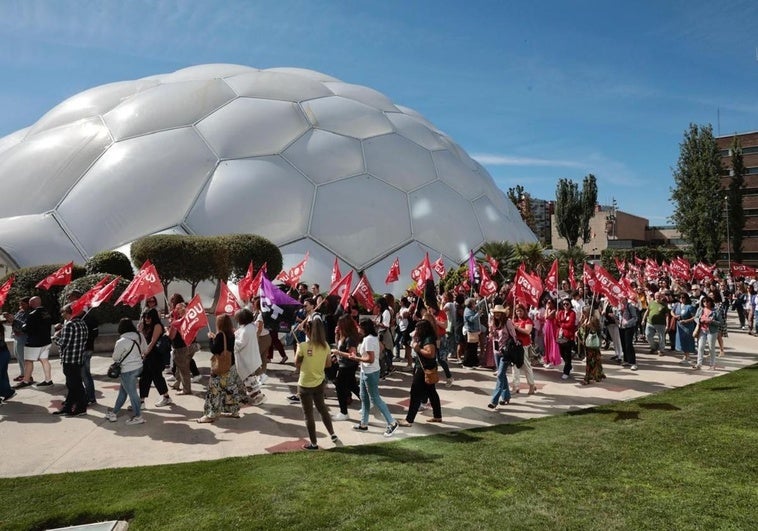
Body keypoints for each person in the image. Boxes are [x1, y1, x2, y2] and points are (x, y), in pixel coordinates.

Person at [336, 318, 398, 436]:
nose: (358, 328)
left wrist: (357, 358)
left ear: (364, 328)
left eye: (359, 326)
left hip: (370, 372)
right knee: (364, 397)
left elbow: (370, 359)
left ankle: (392, 422)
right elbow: (381, 348)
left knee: (375, 398)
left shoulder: (369, 339)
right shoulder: (372, 338)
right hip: (367, 371)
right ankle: (363, 424)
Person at [295, 316, 338, 450]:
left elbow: (297, 364)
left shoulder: (302, 346)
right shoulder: (325, 345)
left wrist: (300, 352)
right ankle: (333, 434)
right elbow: (328, 364)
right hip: (319, 382)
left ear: (308, 331)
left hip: (304, 384)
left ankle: (313, 443)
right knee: (323, 409)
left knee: (308, 414)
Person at [398, 318, 442, 426]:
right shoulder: (424, 337)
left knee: (415, 393)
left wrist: (417, 348)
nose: (416, 330)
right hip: (425, 368)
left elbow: (430, 354)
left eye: (417, 328)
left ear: (423, 329)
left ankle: (409, 419)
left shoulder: (428, 339)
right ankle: (437, 416)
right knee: (432, 393)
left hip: (424, 370)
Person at [198, 314, 242, 423]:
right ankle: (234, 411)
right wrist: (214, 338)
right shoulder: (231, 334)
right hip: (230, 366)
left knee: (214, 392)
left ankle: (211, 414)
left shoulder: (220, 335)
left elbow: (214, 350)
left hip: (220, 369)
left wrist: (210, 339)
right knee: (230, 389)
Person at [106, 318, 148, 424]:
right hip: (139, 367)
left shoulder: (121, 341)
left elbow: (115, 358)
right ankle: (114, 412)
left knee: (132, 393)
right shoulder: (140, 336)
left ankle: (138, 416)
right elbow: (145, 350)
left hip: (127, 370)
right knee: (123, 391)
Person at [51, 304, 89, 416]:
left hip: (69, 359)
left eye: (63, 312)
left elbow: (63, 344)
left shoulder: (69, 325)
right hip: (78, 358)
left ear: (68, 312)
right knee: (73, 385)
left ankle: (81, 408)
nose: (62, 314)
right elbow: (85, 340)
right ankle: (68, 407)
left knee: (75, 386)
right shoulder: (83, 324)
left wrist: (55, 338)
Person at [9, 296, 54, 388]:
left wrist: (20, 325)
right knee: (44, 360)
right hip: (46, 341)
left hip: (34, 342)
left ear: (33, 303)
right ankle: (48, 380)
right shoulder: (46, 312)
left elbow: (26, 329)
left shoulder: (33, 314)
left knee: (28, 361)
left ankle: (26, 381)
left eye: (30, 302)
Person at [138, 308, 172, 409]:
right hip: (148, 356)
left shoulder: (157, 326)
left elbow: (153, 342)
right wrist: (140, 329)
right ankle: (141, 401)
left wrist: (144, 354)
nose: (147, 319)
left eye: (149, 317)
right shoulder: (146, 326)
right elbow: (142, 340)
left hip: (156, 356)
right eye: (145, 317)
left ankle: (166, 397)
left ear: (153, 317)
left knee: (157, 377)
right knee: (144, 378)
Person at [332, 314, 361, 421]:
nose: (338, 326)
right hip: (343, 364)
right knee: (352, 385)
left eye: (340, 324)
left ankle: (343, 412)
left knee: (340, 387)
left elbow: (352, 355)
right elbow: (338, 345)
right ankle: (368, 401)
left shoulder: (350, 338)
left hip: (347, 366)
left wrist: (338, 352)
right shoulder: (343, 336)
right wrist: (336, 335)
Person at [234, 308, 265, 405]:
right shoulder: (250, 326)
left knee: (249, 381)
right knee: (250, 380)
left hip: (246, 360)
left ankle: (258, 397)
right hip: (250, 358)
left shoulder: (246, 330)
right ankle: (255, 396)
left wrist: (231, 340)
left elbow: (239, 344)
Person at [487, 305, 513, 409]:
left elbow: (513, 336)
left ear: (502, 313)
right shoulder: (494, 323)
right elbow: (492, 336)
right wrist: (491, 331)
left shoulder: (508, 322)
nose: (496, 314)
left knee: (500, 375)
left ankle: (494, 400)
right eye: (495, 312)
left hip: (506, 353)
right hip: (496, 351)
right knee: (502, 375)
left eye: (499, 312)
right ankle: (506, 396)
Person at [167, 303, 193, 395]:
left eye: (176, 309)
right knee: (180, 368)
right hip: (186, 346)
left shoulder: (177, 322)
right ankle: (177, 384)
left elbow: (171, 336)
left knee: (183, 370)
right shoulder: (187, 320)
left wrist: (168, 330)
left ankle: (186, 389)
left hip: (179, 348)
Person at [511, 304, 537, 394]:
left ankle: (531, 385)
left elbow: (527, 331)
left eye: (520, 310)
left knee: (526, 366)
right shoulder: (514, 320)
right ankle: (516, 386)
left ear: (524, 311)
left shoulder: (528, 320)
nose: (519, 312)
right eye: (517, 311)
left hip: (524, 345)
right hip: (514, 346)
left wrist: (517, 328)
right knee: (514, 367)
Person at [693, 296, 721, 371]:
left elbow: (720, 323)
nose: (705, 303)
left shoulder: (716, 311)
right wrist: (700, 320)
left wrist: (711, 321)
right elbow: (695, 318)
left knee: (711, 348)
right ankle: (699, 364)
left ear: (711, 302)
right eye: (704, 301)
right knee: (700, 347)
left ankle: (712, 364)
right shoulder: (700, 309)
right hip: (702, 330)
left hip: (711, 331)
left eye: (707, 301)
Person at [7, 296, 29, 381]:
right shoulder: (20, 312)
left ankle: (28, 376)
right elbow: (14, 321)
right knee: (18, 356)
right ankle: (22, 374)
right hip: (16, 337)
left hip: (23, 337)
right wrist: (10, 319)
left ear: (28, 304)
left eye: (23, 304)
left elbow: (26, 325)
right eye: (20, 304)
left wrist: (15, 320)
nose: (21, 305)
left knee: (22, 357)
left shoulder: (29, 313)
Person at [671, 293, 697, 364]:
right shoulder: (677, 305)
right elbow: (671, 311)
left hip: (687, 326)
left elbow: (694, 317)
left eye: (683, 297)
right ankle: (686, 356)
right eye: (680, 297)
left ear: (686, 298)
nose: (681, 299)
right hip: (679, 326)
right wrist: (675, 316)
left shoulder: (689, 307)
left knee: (687, 340)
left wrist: (686, 321)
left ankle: (686, 356)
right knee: (681, 341)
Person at [555, 298, 577, 379]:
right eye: (564, 304)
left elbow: (570, 324)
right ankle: (569, 366)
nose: (565, 305)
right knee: (561, 353)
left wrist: (562, 324)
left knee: (567, 355)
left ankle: (566, 371)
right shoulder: (560, 312)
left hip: (568, 337)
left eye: (567, 304)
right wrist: (563, 323)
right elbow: (556, 322)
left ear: (570, 304)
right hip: (560, 336)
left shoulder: (572, 313)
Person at [582, 316, 605, 385]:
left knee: (597, 362)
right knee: (589, 363)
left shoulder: (598, 330)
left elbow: (599, 339)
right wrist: (584, 326)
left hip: (595, 349)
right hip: (589, 349)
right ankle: (588, 377)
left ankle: (597, 375)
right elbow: (581, 333)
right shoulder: (587, 328)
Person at [644, 291, 668, 355]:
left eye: (659, 296)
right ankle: (654, 347)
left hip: (660, 324)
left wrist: (667, 325)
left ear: (661, 297)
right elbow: (647, 311)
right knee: (648, 336)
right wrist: (643, 320)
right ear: (654, 296)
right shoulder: (651, 303)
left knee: (661, 337)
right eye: (656, 296)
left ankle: (661, 350)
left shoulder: (664, 305)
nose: (657, 297)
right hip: (650, 323)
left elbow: (667, 315)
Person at [462, 297, 484, 367]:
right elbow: (471, 319)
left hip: (474, 331)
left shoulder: (471, 309)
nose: (475, 304)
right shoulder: (467, 311)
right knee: (470, 348)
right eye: (474, 303)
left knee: (474, 348)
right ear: (471, 304)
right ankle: (467, 363)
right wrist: (478, 314)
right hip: (470, 331)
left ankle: (474, 362)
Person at [619, 297, 638, 370]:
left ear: (626, 299)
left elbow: (635, 318)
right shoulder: (620, 306)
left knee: (628, 345)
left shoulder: (630, 306)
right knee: (623, 344)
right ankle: (626, 360)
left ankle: (633, 362)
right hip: (621, 327)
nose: (621, 300)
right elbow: (619, 317)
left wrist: (628, 322)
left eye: (622, 298)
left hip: (629, 328)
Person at [542, 297, 561, 368]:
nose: (548, 304)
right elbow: (544, 317)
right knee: (547, 343)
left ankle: (553, 360)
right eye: (547, 302)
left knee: (552, 343)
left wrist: (546, 308)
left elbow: (547, 317)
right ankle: (548, 359)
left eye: (550, 303)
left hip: (552, 328)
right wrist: (547, 309)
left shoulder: (554, 310)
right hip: (547, 327)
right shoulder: (548, 310)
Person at [0, 324, 16, 404]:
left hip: (2, 354)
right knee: (3, 374)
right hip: (4, 353)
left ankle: (7, 392)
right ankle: (7, 392)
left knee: (2, 374)